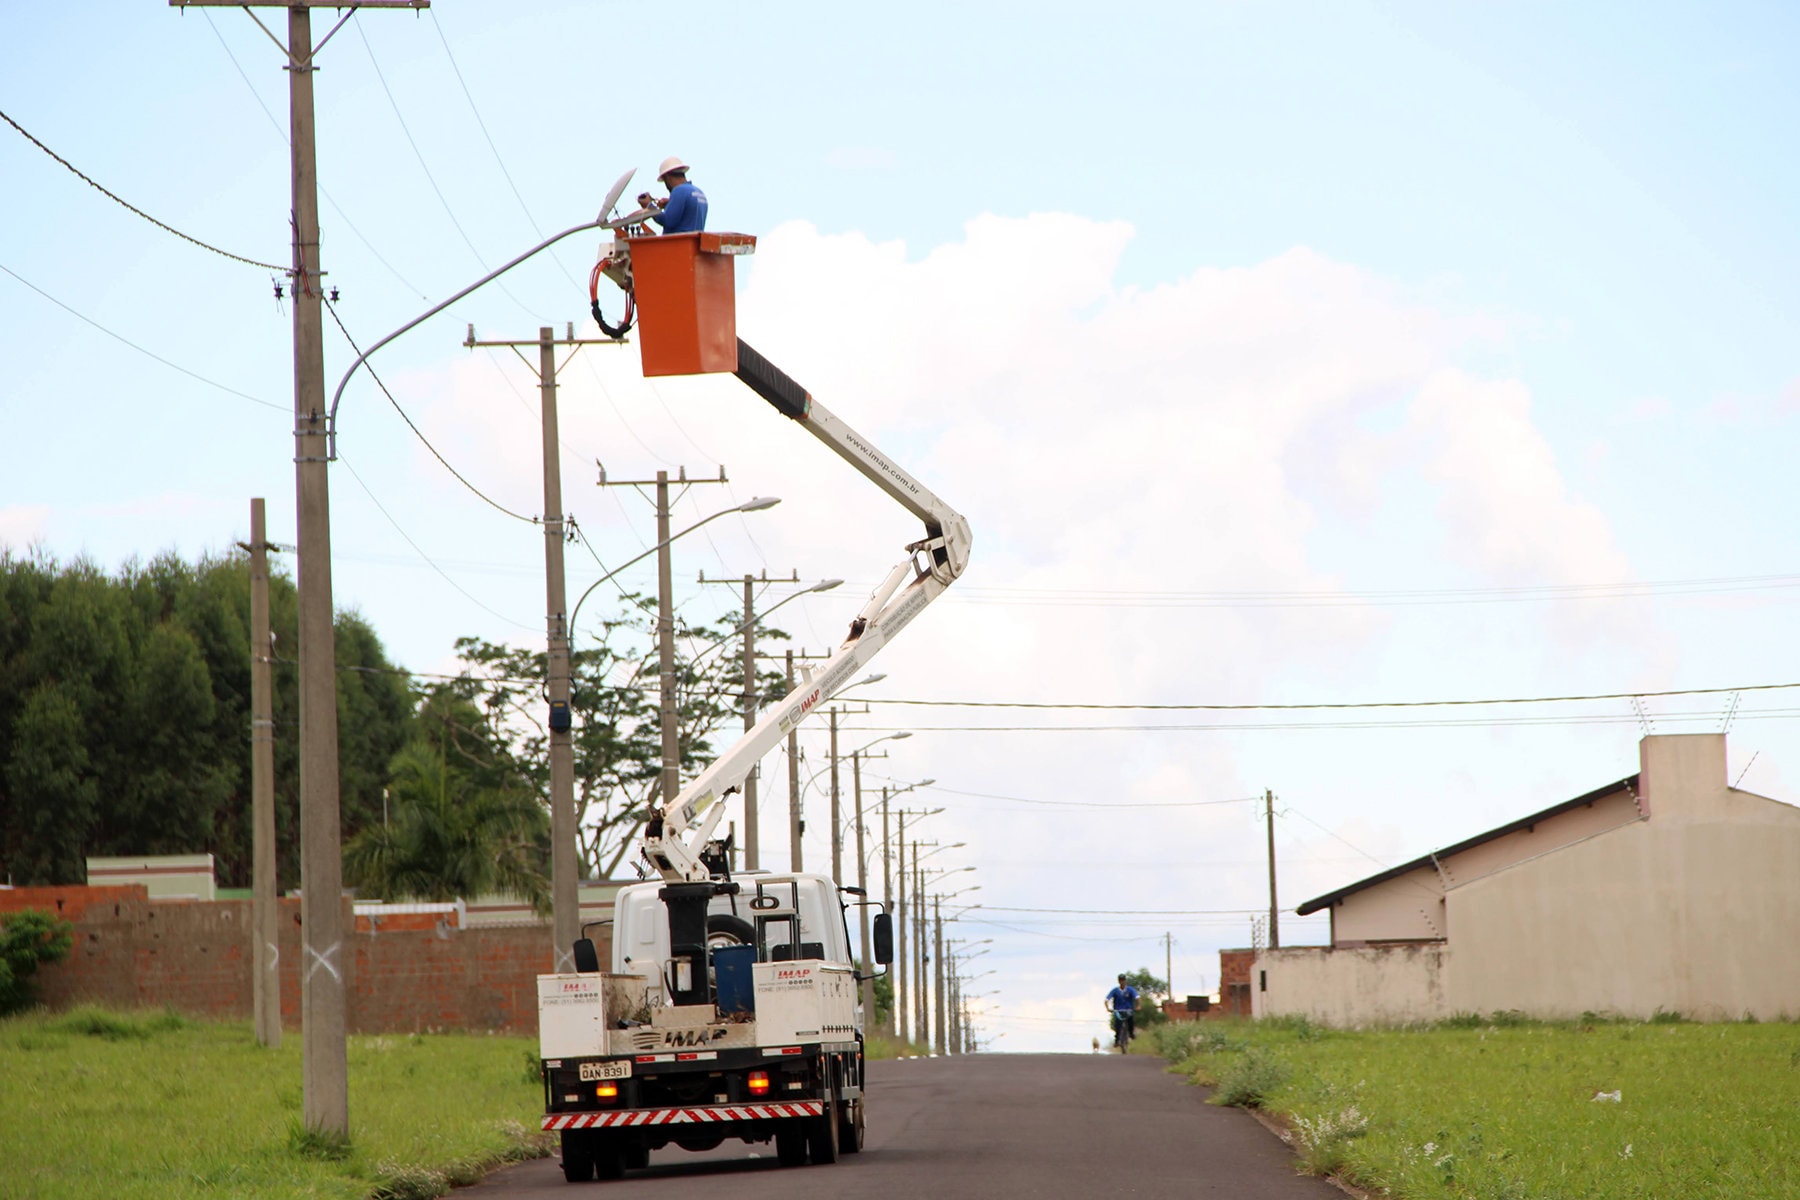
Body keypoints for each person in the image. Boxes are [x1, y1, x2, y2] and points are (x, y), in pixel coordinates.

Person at [637, 155, 708, 234]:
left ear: (667, 178)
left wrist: (649, 206)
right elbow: (687, 218)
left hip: (678, 244)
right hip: (692, 244)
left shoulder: (678, 191)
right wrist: (669, 205)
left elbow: (668, 221)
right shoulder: (699, 192)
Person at [1105, 973, 1139, 1048]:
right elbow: (1107, 999)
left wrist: (1138, 1006)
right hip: (1118, 1010)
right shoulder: (1115, 990)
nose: (1122, 982)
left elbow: (1137, 997)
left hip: (1128, 1009)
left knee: (1131, 1022)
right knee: (1117, 1025)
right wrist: (1108, 1008)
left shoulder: (1130, 989)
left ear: (1125, 981)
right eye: (1120, 980)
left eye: (1123, 980)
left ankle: (1131, 1034)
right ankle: (1117, 1041)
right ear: (1118, 981)